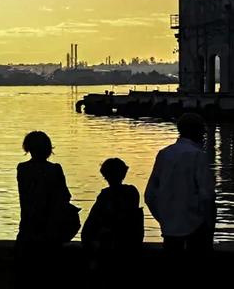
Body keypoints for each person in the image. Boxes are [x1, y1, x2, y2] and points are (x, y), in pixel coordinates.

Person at [145, 113, 215, 286]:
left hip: (169, 227)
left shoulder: (164, 154)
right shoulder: (198, 155)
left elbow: (150, 195)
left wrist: (163, 218)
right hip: (196, 226)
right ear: (198, 132)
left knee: (172, 274)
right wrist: (207, 222)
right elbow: (206, 195)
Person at [15, 131, 72, 289]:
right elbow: (65, 196)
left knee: (26, 276)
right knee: (49, 275)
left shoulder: (22, 169)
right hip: (51, 229)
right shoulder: (55, 170)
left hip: (28, 227)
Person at [81, 158, 143, 288]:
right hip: (125, 242)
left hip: (115, 243)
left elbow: (91, 223)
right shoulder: (131, 192)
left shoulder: (106, 195)